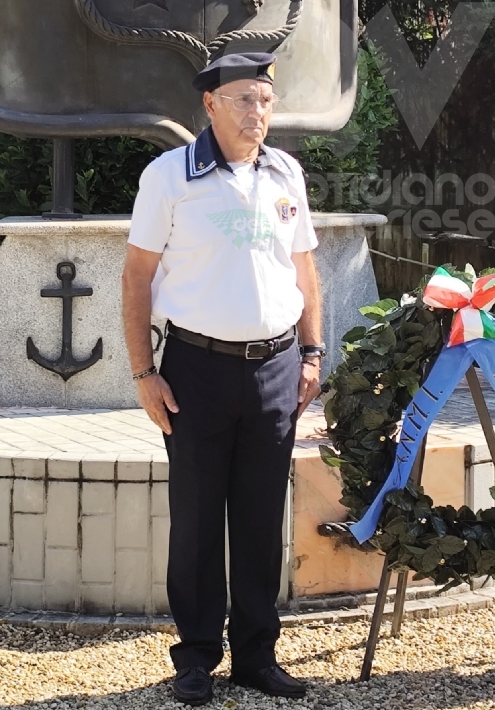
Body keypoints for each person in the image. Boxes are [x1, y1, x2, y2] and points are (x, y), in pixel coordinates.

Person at [121, 52, 325, 706]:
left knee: (263, 520)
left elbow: (305, 272)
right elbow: (136, 277)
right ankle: (197, 657)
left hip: (275, 369)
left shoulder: (285, 173)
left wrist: (313, 354)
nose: (257, 113)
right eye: (243, 100)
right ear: (210, 105)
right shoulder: (170, 178)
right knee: (199, 519)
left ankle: (257, 657)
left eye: (265, 100)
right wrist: (143, 373)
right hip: (195, 370)